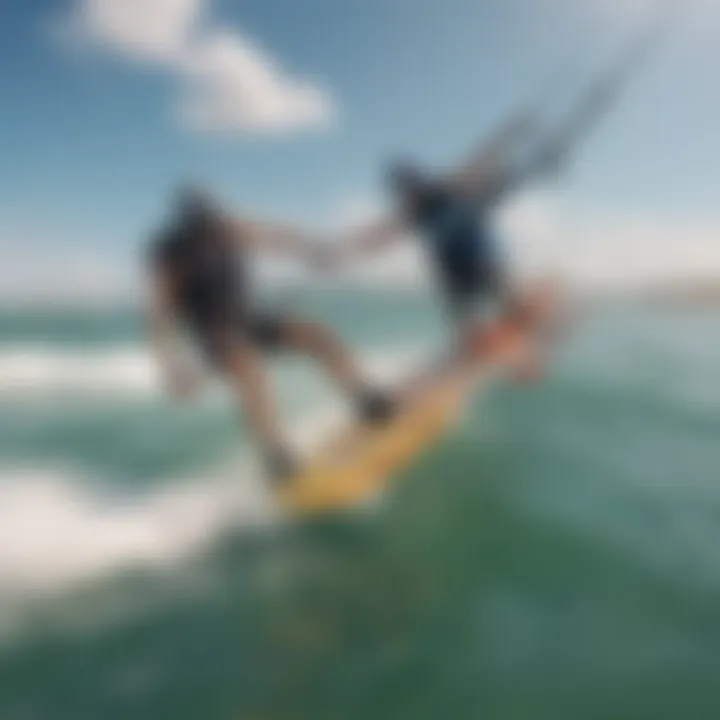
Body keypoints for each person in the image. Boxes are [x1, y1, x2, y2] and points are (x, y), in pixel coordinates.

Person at [327, 57, 636, 371]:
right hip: (454, 275)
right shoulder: (412, 215)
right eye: (402, 193)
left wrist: (513, 130)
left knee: (509, 299)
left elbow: (483, 156)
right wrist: (341, 252)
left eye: (409, 188)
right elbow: (379, 236)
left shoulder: (447, 188)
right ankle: (489, 351)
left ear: (418, 181)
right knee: (467, 325)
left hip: (482, 261)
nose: (407, 196)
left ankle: (546, 330)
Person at [147, 187, 394, 482]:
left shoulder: (229, 229)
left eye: (215, 226)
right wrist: (171, 366)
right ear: (189, 229)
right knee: (249, 369)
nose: (215, 236)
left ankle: (363, 398)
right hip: (216, 335)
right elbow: (161, 315)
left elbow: (277, 237)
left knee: (317, 335)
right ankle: (274, 453)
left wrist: (315, 251)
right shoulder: (173, 258)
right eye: (205, 232)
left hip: (248, 318)